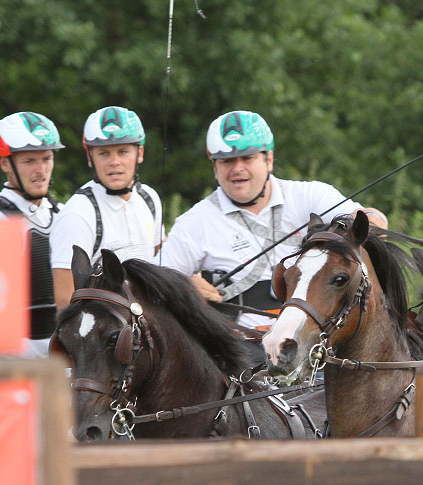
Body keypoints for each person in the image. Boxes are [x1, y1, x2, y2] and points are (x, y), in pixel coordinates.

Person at [160, 109, 387, 336]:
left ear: (268, 159)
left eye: (247, 158)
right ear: (215, 167)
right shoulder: (193, 222)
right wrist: (183, 286)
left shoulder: (310, 195)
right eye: (227, 161)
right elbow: (153, 283)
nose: (237, 168)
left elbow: (362, 218)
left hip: (313, 341)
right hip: (238, 348)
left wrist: (375, 218)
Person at [50, 106, 164, 308]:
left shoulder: (150, 198)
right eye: (104, 153)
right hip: (105, 328)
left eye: (123, 152)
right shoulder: (78, 212)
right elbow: (64, 298)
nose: (114, 162)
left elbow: (162, 260)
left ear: (140, 154)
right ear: (90, 157)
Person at [0, 111, 65, 357]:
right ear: (5, 163)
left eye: (47, 158)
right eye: (29, 161)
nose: (41, 169)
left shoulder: (65, 215)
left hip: (66, 355)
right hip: (12, 360)